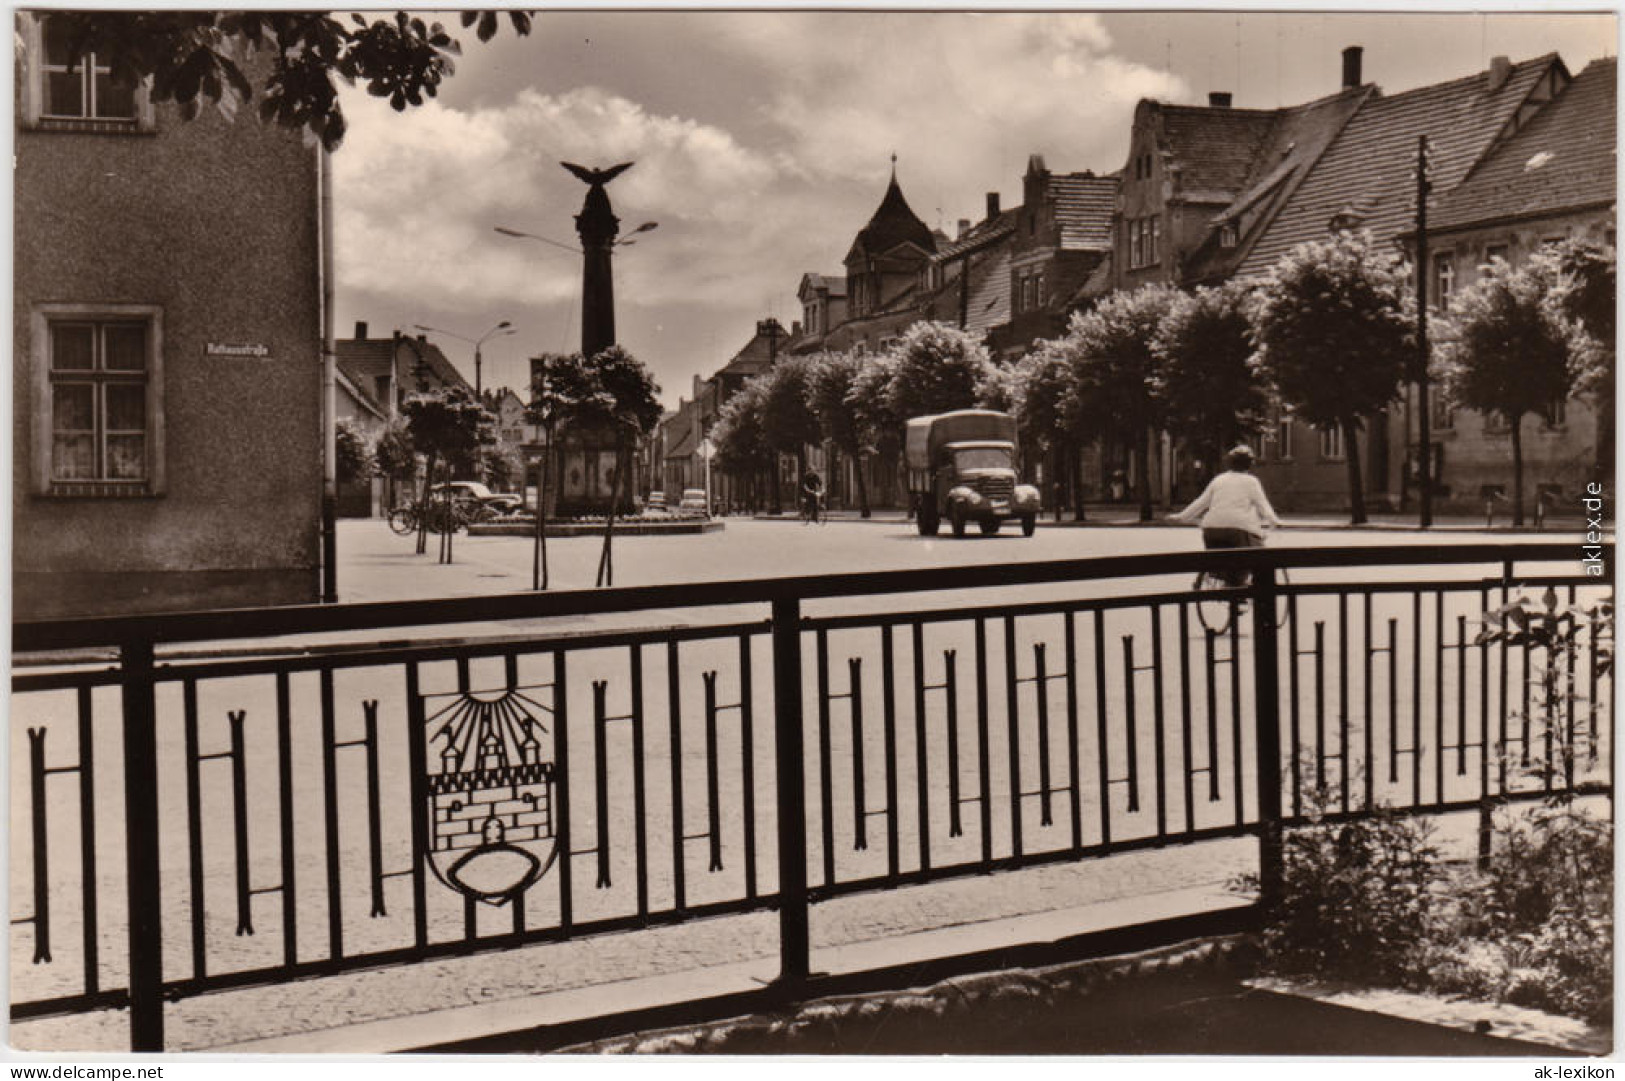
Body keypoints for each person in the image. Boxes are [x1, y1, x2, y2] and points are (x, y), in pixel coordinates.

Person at [1173, 445, 1281, 585]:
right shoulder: (1251, 481)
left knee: (1221, 560)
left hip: (1211, 530)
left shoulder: (1219, 479)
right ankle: (1251, 593)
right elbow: (1263, 505)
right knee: (1261, 558)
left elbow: (1201, 502)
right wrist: (1274, 521)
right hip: (1237, 531)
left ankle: (1227, 585)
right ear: (1250, 464)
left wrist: (1182, 516)